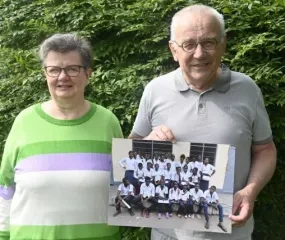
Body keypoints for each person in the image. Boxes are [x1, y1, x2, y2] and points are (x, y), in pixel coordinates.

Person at [129, 4, 276, 240]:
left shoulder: (248, 89)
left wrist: (250, 191)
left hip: (232, 234)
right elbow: (131, 150)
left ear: (223, 44)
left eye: (208, 42)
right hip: (167, 235)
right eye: (188, 44)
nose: (199, 54)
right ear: (173, 50)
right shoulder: (155, 90)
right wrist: (147, 143)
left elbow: (265, 149)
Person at [0, 33, 123, 240]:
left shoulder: (108, 122)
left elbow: (123, 188)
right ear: (45, 74)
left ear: (88, 74)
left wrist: (157, 150)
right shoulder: (24, 122)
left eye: (72, 69)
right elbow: (5, 189)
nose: (62, 77)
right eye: (54, 70)